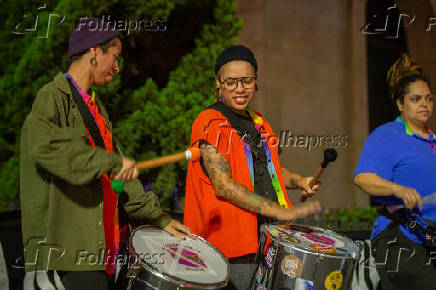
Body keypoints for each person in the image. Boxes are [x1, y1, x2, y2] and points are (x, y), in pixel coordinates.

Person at [20, 17, 193, 290]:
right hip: (68, 255)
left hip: (103, 253)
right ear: (95, 51)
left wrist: (159, 218)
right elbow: (48, 147)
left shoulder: (96, 109)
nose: (117, 67)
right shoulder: (51, 97)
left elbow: (123, 177)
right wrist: (112, 161)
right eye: (114, 57)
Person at [184, 45, 321, 264]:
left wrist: (298, 180)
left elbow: (270, 171)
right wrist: (278, 211)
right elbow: (223, 185)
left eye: (247, 81)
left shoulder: (260, 122)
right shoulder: (209, 122)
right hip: (226, 248)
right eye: (231, 82)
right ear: (218, 84)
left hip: (267, 241)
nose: (240, 89)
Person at [354, 54, 436, 290]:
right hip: (400, 237)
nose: (424, 104)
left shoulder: (432, 141)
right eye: (416, 99)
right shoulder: (387, 135)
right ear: (400, 104)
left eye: (429, 98)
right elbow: (363, 178)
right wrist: (397, 189)